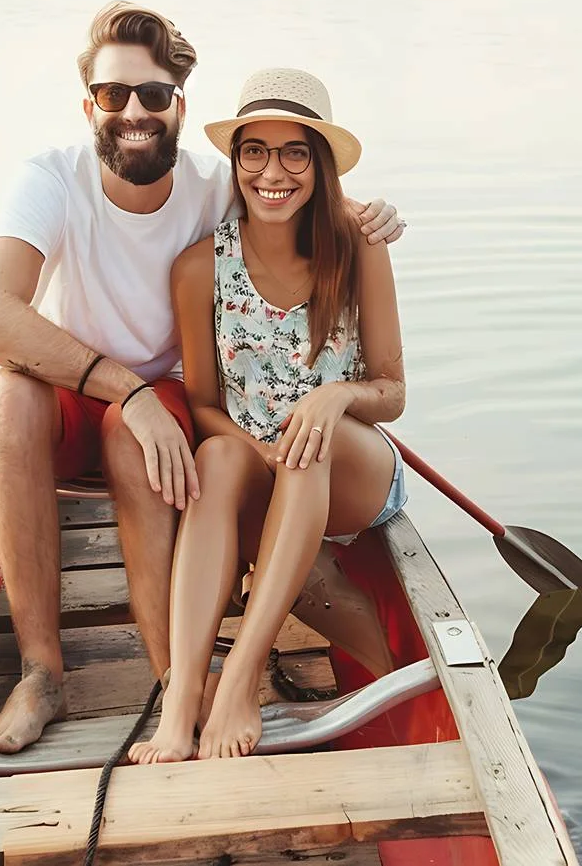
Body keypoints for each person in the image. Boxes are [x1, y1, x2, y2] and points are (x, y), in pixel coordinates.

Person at [0, 3, 405, 754]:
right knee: (17, 394)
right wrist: (126, 389)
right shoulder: (57, 182)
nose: (133, 110)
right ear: (89, 104)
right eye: (113, 94)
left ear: (179, 105)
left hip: (272, 435)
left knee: (236, 443)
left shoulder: (221, 189)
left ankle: (198, 679)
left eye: (153, 95)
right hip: (112, 396)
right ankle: (48, 672)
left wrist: (366, 216)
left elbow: (293, 194)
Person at [128, 68, 407, 763]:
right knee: (217, 455)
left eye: (293, 152)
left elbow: (393, 391)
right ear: (236, 161)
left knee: (312, 440)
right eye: (255, 151)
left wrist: (334, 396)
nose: (271, 171)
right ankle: (184, 691)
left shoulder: (358, 246)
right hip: (264, 468)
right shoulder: (200, 267)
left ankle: (244, 674)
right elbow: (200, 406)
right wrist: (261, 451)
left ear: (318, 164)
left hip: (353, 469)